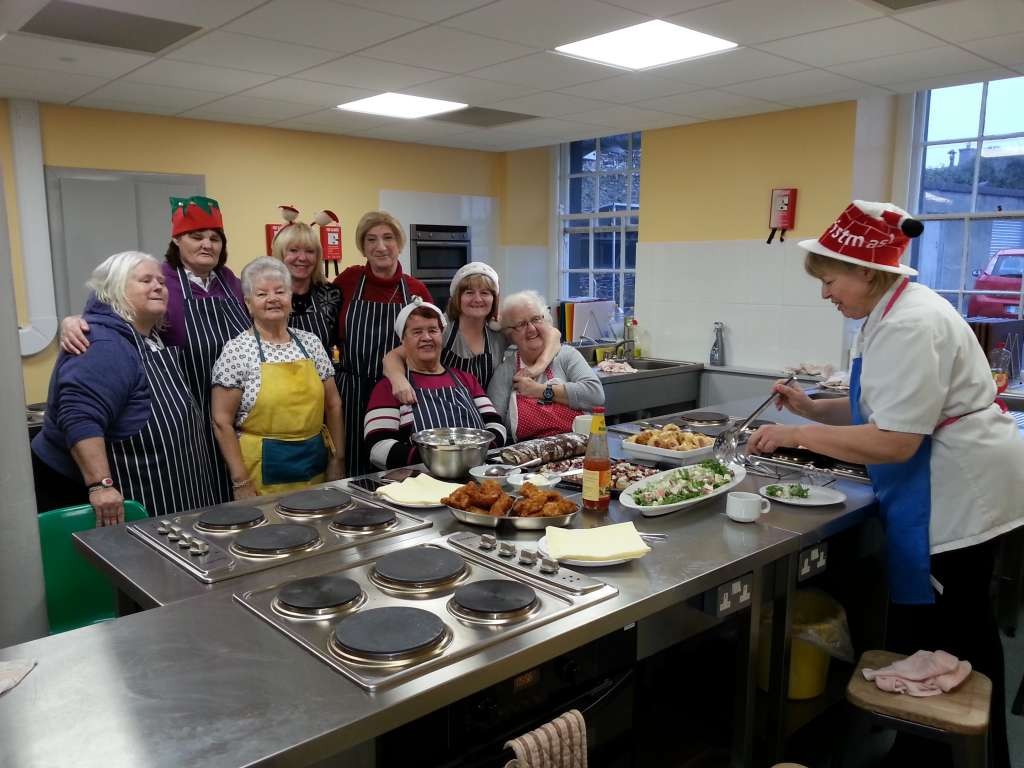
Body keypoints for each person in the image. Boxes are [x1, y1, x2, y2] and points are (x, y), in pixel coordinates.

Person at [746, 200, 1024, 768]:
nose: (826, 294)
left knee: (955, 640)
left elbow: (896, 440)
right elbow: (880, 408)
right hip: (953, 476)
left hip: (961, 491)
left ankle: (948, 756)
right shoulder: (890, 312)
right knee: (948, 634)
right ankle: (931, 750)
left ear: (867, 272)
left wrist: (796, 436)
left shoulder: (910, 323)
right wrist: (810, 408)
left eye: (830, 281)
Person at [60, 196, 249, 502]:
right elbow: (106, 302)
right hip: (188, 419)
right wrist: (72, 322)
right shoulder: (160, 278)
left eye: (215, 238)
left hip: (234, 417)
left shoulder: (231, 282)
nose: (207, 244)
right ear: (177, 240)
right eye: (196, 236)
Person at [32, 252, 215, 525]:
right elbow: (79, 417)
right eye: (145, 280)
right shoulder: (103, 344)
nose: (158, 287)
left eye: (161, 282)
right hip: (89, 492)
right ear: (116, 289)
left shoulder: (146, 335)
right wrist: (101, 485)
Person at [211, 258, 343, 498]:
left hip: (315, 464)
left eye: (280, 291)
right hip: (261, 472)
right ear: (248, 304)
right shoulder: (236, 351)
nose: (272, 298)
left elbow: (333, 404)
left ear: (290, 297)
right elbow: (221, 421)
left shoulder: (311, 343)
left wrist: (337, 459)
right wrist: (240, 481)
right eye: (262, 294)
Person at [332, 211, 431, 475]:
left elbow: (429, 340)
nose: (381, 246)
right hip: (351, 392)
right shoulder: (347, 282)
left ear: (399, 244)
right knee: (352, 465)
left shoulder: (416, 290)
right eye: (371, 239)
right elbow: (328, 326)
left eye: (388, 238)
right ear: (362, 246)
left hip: (397, 392)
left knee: (394, 468)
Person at [382, 262, 561, 403]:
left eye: (485, 293)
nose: (477, 299)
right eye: (469, 292)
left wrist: (537, 368)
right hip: (446, 409)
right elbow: (393, 357)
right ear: (457, 298)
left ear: (494, 299)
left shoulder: (498, 332)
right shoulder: (442, 329)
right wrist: (399, 380)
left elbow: (553, 335)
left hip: (487, 412)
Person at [364, 298, 506, 470]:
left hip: (477, 473)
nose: (426, 337)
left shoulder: (467, 379)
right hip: (420, 480)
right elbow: (378, 447)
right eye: (417, 332)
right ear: (403, 339)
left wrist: (476, 455)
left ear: (441, 335)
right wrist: (435, 460)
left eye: (433, 330)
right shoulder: (388, 387)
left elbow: (496, 425)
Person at [487, 290, 604, 441]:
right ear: (510, 335)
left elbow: (595, 395)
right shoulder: (505, 371)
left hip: (579, 449)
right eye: (521, 324)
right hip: (527, 452)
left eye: (536, 319)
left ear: (546, 321)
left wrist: (539, 390)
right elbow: (496, 424)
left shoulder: (566, 356)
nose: (531, 329)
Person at [270, 214, 342, 359]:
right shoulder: (267, 296)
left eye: (309, 251)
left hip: (322, 373)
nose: (302, 258)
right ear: (280, 254)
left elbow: (338, 346)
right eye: (293, 250)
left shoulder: (332, 295)